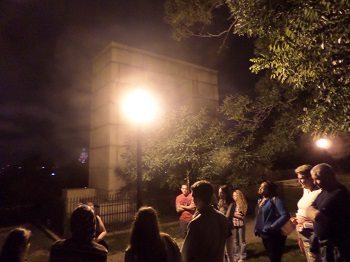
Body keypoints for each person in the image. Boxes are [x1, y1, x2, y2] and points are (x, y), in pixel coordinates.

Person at [306, 163, 350, 261]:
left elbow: (317, 216)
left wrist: (314, 213)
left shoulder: (339, 193)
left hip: (336, 247)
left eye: (316, 179)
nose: (314, 182)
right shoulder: (325, 191)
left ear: (328, 177)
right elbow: (309, 209)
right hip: (324, 244)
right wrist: (313, 212)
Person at [181, 180, 229, 262]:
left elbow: (185, 255)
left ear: (197, 198)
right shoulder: (223, 218)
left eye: (193, 196)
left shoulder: (196, 224)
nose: (192, 199)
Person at [291, 164, 321, 262]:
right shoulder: (306, 190)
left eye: (302, 178)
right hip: (303, 233)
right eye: (298, 178)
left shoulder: (320, 192)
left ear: (311, 177)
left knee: (315, 259)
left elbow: (323, 217)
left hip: (313, 234)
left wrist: (306, 223)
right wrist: (297, 219)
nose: (299, 181)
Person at [254, 180, 290, 262]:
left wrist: (272, 226)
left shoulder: (275, 200)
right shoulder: (261, 200)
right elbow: (259, 216)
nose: (259, 188)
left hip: (274, 235)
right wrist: (257, 229)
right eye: (260, 186)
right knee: (271, 257)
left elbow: (285, 215)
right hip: (264, 234)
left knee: (275, 258)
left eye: (262, 187)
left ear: (269, 190)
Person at [217, 185, 235, 262]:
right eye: (219, 193)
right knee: (221, 252)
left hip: (229, 229)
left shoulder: (232, 203)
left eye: (222, 193)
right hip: (220, 229)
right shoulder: (220, 202)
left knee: (229, 252)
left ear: (226, 193)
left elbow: (227, 217)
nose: (220, 194)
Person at [232, 189, 248, 262]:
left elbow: (242, 216)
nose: (233, 197)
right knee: (235, 241)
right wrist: (236, 214)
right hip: (234, 224)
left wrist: (233, 214)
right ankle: (236, 257)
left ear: (239, 196)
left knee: (242, 241)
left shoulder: (243, 204)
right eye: (233, 195)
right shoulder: (233, 204)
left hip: (241, 224)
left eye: (235, 195)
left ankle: (242, 257)